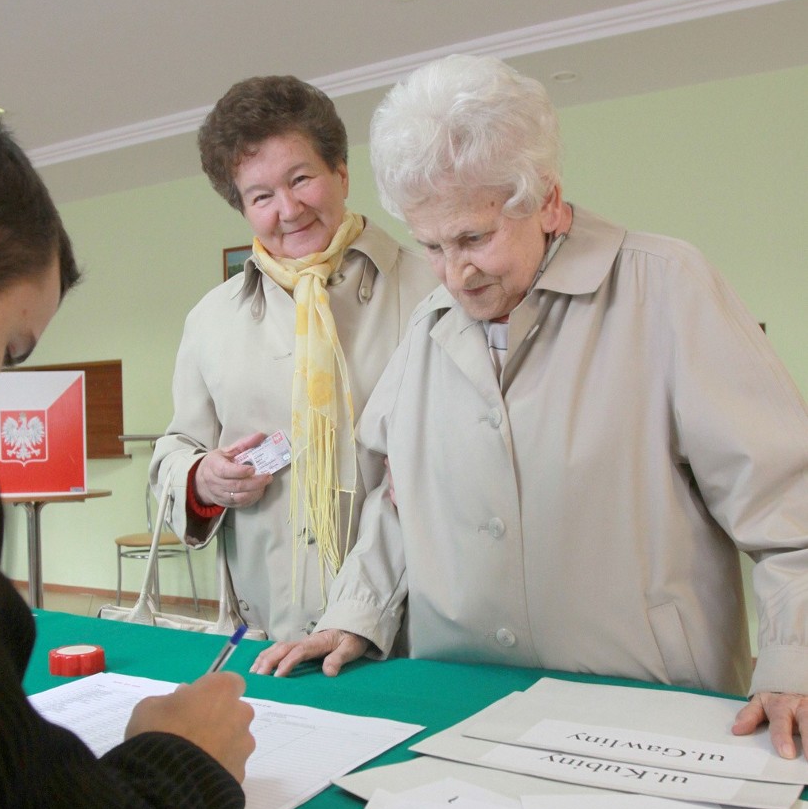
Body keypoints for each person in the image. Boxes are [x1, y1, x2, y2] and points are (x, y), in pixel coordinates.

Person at [253, 54, 808, 761]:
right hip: (464, 701)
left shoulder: (667, 287)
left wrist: (796, 659)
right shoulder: (428, 327)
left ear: (546, 200)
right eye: (431, 245)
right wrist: (356, 613)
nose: (456, 272)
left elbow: (788, 503)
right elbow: (397, 500)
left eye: (474, 238)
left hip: (650, 710)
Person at [0, 104, 255, 809]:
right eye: (7, 349)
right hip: (256, 586)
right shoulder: (213, 316)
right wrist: (187, 768)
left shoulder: (410, 301)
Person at [150, 75, 436, 640]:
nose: (288, 208)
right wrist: (203, 478)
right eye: (261, 196)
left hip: (412, 634)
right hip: (267, 635)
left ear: (342, 172)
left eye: (301, 178)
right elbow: (174, 450)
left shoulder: (433, 288)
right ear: (242, 207)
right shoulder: (211, 318)